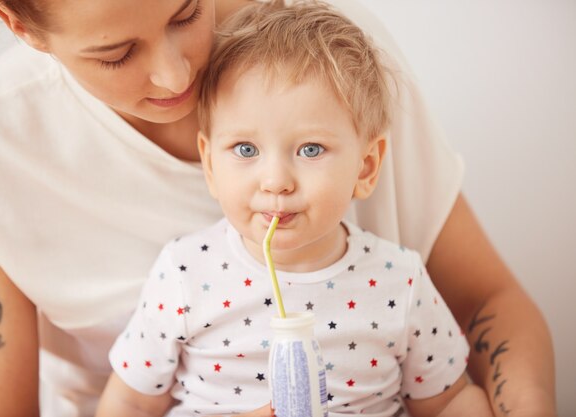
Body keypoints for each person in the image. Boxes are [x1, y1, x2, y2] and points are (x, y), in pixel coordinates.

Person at [0, 0, 554, 416]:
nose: (173, 74)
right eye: (115, 54)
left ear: (366, 162)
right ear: (21, 27)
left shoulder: (329, 56)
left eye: (187, 12)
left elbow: (487, 308)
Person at [94, 3, 493, 416]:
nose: (276, 181)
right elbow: (130, 404)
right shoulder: (185, 274)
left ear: (366, 167)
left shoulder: (400, 283)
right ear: (211, 165)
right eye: (246, 149)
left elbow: (452, 401)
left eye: (310, 149)